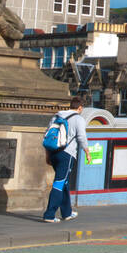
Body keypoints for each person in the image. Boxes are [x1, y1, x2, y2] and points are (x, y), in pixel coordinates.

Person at [43, 95, 89, 223]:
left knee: (65, 182)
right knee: (59, 182)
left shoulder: (57, 116)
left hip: (53, 152)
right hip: (66, 154)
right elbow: (81, 137)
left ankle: (67, 213)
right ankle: (49, 214)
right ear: (80, 108)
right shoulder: (78, 119)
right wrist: (87, 152)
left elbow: (47, 135)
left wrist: (48, 155)